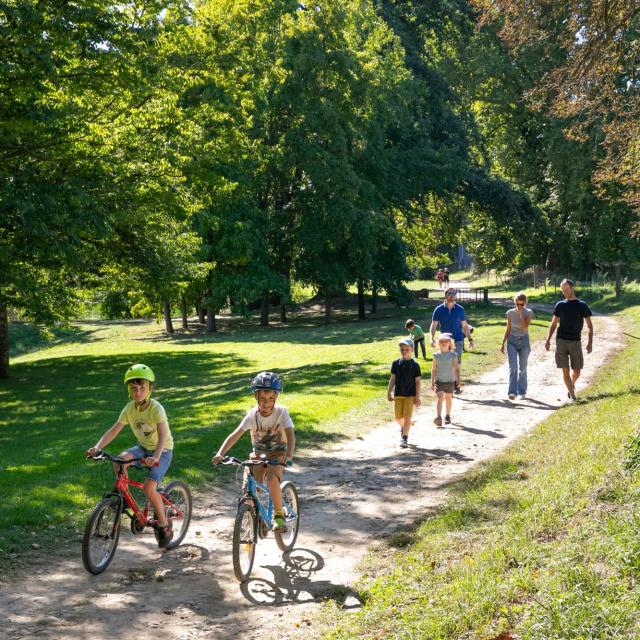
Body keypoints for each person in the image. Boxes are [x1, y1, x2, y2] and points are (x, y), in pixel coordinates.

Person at [86, 364, 174, 547]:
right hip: (143, 447)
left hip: (162, 450)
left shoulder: (156, 408)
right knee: (119, 461)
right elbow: (114, 429)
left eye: (142, 388)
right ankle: (123, 497)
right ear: (129, 390)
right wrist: (97, 447)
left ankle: (164, 525)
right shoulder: (129, 409)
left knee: (149, 488)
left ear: (150, 389)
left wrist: (156, 457)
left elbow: (163, 435)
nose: (138, 392)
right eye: (134, 388)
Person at [212, 371, 295, 532]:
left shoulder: (282, 413)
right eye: (263, 399)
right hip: (258, 455)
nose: (266, 403)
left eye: (271, 399)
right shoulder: (252, 415)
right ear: (255, 397)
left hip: (278, 456)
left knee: (271, 479)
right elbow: (235, 435)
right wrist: (220, 453)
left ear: (276, 398)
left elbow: (291, 437)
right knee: (250, 489)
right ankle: (252, 515)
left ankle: (278, 516)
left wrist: (288, 456)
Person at [545, 278, 593, 401]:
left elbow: (590, 326)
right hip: (561, 340)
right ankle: (573, 396)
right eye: (563, 289)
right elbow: (554, 324)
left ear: (572, 288)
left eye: (566, 288)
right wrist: (548, 339)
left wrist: (590, 343)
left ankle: (571, 385)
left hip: (575, 341)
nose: (564, 291)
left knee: (577, 371)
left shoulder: (582, 305)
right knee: (565, 370)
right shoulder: (560, 305)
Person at [430, 288, 473, 394]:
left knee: (456, 363)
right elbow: (434, 324)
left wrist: (470, 339)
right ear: (445, 295)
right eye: (450, 293)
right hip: (444, 341)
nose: (452, 295)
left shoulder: (460, 309)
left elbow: (465, 326)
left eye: (454, 293)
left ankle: (456, 385)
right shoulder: (438, 309)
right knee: (446, 363)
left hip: (458, 339)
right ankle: (446, 384)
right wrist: (431, 337)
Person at [387, 338, 422, 448]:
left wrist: (417, 397)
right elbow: (392, 379)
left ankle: (404, 438)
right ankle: (407, 425)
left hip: (410, 395)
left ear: (412, 349)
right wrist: (389, 392)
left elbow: (417, 382)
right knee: (398, 418)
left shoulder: (415, 365)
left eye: (407, 349)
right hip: (398, 394)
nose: (404, 351)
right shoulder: (395, 363)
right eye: (402, 349)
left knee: (407, 417)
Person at [500, 292, 533, 400]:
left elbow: (524, 327)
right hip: (512, 341)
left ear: (525, 303)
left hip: (524, 341)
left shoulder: (529, 313)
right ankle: (512, 392)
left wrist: (520, 314)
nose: (519, 306)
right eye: (517, 304)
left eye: (521, 304)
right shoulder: (510, 313)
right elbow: (508, 328)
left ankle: (522, 390)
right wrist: (503, 343)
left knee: (522, 368)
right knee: (513, 367)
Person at [431, 333, 459, 426]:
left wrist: (458, 381)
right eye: (441, 341)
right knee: (439, 398)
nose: (444, 343)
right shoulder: (436, 356)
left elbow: (456, 368)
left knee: (448, 399)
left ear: (450, 343)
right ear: (438, 344)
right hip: (439, 381)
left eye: (446, 341)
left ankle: (447, 415)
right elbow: (434, 369)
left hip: (450, 381)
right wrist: (432, 382)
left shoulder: (453, 355)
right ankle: (438, 417)